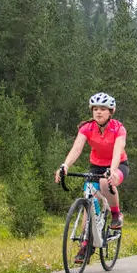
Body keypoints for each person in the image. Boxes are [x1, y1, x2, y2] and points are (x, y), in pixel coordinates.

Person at [54, 92, 129, 263]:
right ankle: (85, 243)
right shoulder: (86, 128)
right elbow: (76, 148)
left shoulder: (118, 128)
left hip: (118, 165)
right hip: (96, 166)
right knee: (89, 201)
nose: (98, 112)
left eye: (103, 109)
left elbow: (118, 151)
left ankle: (116, 215)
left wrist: (112, 170)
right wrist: (65, 166)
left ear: (111, 111)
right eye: (95, 109)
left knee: (105, 182)